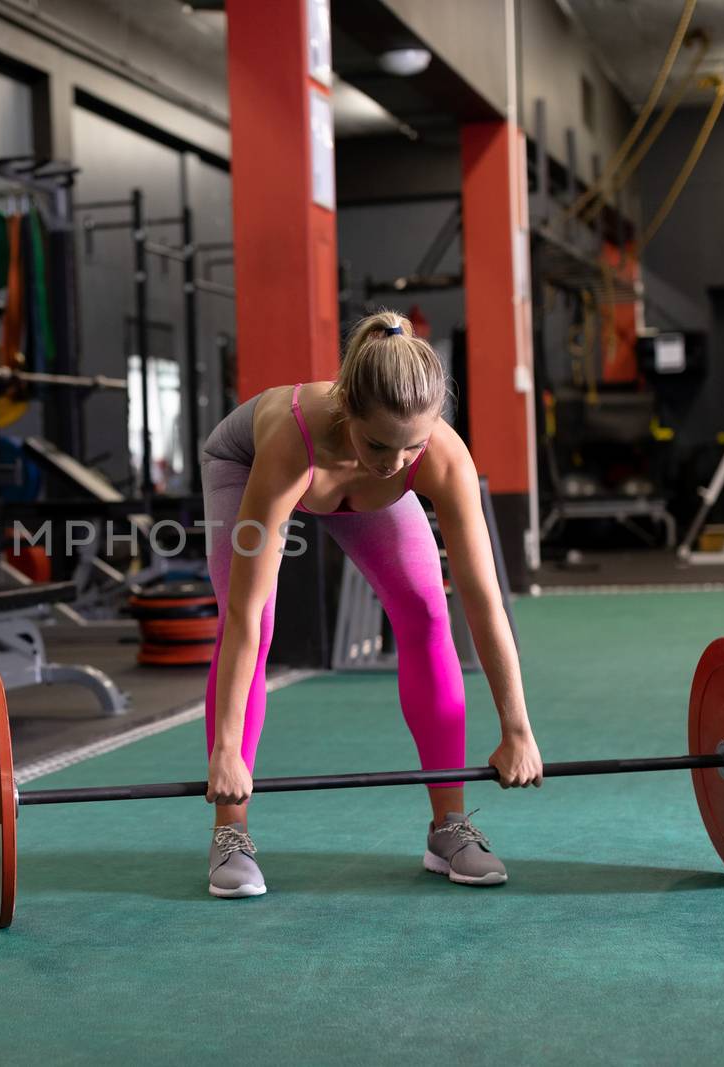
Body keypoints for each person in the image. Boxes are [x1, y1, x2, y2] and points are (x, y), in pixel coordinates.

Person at [196, 310, 543, 898]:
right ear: (348, 411)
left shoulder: (440, 457)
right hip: (248, 467)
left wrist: (517, 728)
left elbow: (483, 601)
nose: (394, 462)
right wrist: (226, 751)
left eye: (413, 447)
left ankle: (449, 826)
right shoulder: (290, 443)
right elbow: (245, 617)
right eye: (380, 443)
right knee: (263, 616)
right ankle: (230, 833)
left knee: (428, 611)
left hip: (357, 498)